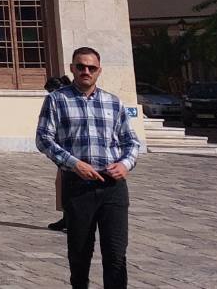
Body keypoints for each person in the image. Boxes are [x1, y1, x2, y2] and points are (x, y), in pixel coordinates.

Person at [36, 47, 140, 289]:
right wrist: (73, 163)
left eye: (91, 68)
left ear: (99, 71)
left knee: (116, 255)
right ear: (72, 68)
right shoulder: (56, 100)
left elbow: (131, 141)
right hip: (78, 186)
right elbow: (43, 139)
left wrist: (125, 164)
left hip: (112, 186)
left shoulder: (113, 102)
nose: (86, 71)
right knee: (80, 256)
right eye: (80, 66)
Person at [43, 74, 73, 231]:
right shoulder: (56, 101)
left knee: (70, 186)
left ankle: (73, 220)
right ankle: (66, 217)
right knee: (61, 185)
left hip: (73, 152)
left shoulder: (67, 101)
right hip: (61, 151)